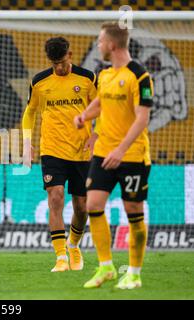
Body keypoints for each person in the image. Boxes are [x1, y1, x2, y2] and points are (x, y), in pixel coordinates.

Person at [74, 22, 153, 289]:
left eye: (100, 41)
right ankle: (106, 267)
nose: (98, 45)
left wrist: (121, 150)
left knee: (133, 211)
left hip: (131, 155)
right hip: (103, 153)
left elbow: (142, 118)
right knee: (92, 205)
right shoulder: (105, 74)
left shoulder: (140, 76)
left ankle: (134, 273)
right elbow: (100, 103)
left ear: (112, 45)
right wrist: (84, 115)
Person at [22, 37, 98, 272]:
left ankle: (73, 245)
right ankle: (60, 258)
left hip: (81, 150)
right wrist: (26, 142)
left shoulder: (87, 78)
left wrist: (97, 135)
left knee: (82, 206)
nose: (59, 67)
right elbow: (30, 113)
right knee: (55, 198)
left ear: (71, 55)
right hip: (52, 150)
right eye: (54, 63)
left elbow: (102, 108)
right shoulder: (40, 82)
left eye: (62, 62)